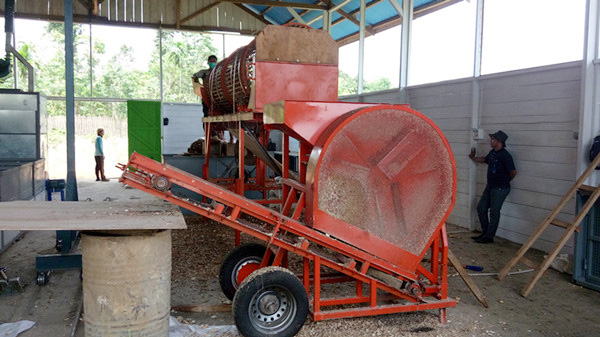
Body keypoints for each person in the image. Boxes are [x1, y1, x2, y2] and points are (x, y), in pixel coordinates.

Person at [469, 130, 516, 243]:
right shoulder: (493, 152)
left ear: (499, 141)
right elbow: (485, 159)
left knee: (494, 212)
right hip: (490, 186)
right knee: (481, 208)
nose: (491, 141)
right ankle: (485, 233)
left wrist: (504, 181)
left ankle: (489, 237)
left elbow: (513, 172)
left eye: (493, 139)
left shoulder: (505, 155)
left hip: (500, 188)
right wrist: (473, 158)